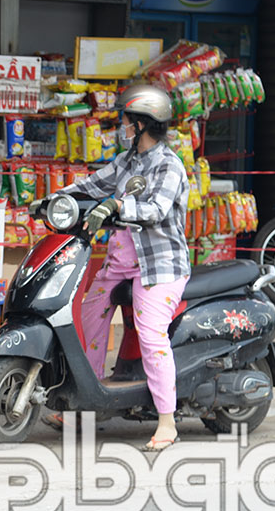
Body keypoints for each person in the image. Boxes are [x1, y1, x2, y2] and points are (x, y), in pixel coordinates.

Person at [49, 84, 190, 452]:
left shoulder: (169, 165)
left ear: (142, 123)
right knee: (87, 316)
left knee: (150, 334)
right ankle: (88, 399)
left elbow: (157, 209)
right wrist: (52, 200)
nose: (121, 125)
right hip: (120, 264)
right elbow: (93, 184)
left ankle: (167, 421)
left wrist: (119, 208)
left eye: (126, 120)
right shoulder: (128, 160)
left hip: (159, 266)